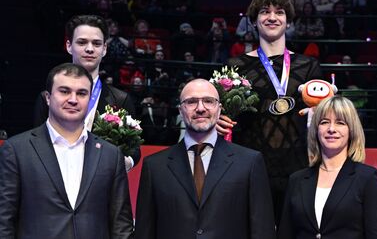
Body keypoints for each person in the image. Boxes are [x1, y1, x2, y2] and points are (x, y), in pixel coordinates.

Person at [217, 0, 323, 223]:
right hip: (250, 169)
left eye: (280, 12)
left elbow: (325, 113)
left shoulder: (308, 66)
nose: (272, 17)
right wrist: (218, 119)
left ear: (288, 21)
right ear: (254, 21)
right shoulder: (235, 66)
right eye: (265, 12)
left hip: (298, 169)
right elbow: (220, 113)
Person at [0, 63, 133, 238]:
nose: (73, 99)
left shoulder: (111, 155)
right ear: (48, 98)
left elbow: (121, 226)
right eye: (64, 91)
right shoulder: (17, 150)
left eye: (82, 93)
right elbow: (4, 220)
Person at [135, 79, 275, 239]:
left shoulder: (249, 162)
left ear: (219, 109)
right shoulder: (154, 166)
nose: (200, 108)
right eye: (191, 102)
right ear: (180, 111)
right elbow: (144, 232)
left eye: (209, 101)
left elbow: (263, 230)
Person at [33, 14, 140, 170]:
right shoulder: (47, 98)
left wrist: (125, 162)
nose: (89, 49)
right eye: (82, 42)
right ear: (69, 46)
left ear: (104, 49)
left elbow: (134, 148)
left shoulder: (120, 99)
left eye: (96, 43)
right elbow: (36, 142)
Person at [278, 96, 377, 239]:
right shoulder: (296, 180)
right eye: (324, 122)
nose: (331, 129)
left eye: (340, 123)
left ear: (351, 131)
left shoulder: (367, 179)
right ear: (316, 130)